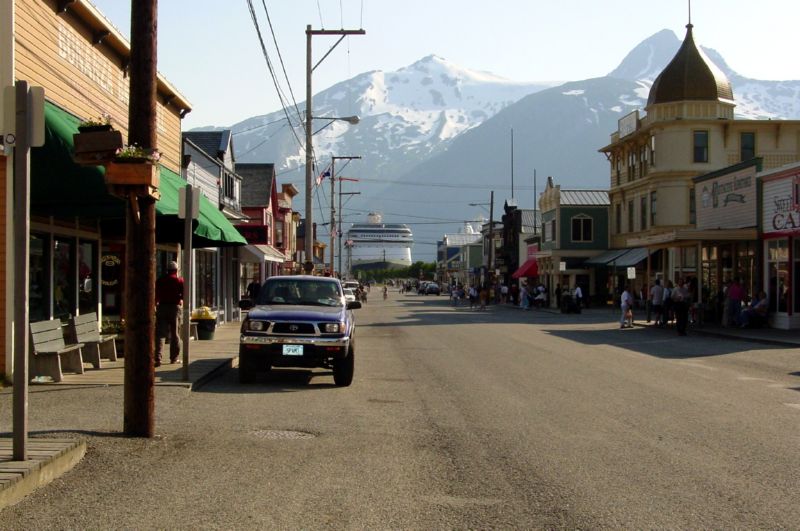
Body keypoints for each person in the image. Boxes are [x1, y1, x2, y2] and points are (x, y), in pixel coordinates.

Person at [155, 261, 184, 367]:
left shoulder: (160, 280)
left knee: (160, 334)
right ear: (176, 270)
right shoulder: (179, 280)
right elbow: (184, 295)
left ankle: (158, 358)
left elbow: (156, 294)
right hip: (174, 308)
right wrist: (180, 299)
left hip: (162, 307)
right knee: (175, 333)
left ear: (167, 270)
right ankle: (174, 358)